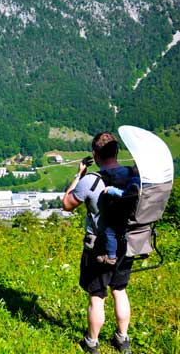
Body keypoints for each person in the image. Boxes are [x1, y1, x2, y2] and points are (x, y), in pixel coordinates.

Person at [62, 132, 133, 354]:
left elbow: (67, 204)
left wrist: (78, 175)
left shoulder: (91, 180)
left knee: (97, 296)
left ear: (95, 154)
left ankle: (92, 343)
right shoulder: (131, 175)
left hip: (99, 248)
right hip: (127, 243)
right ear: (116, 152)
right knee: (119, 291)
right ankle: (122, 339)